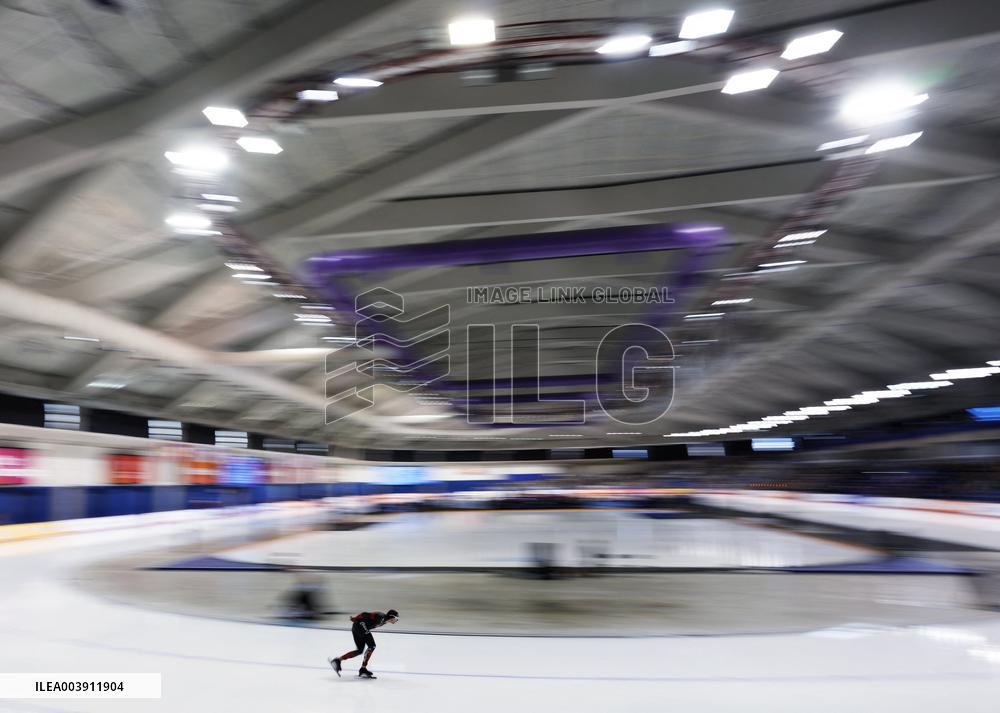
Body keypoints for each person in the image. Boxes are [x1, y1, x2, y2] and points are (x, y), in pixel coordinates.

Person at [328, 609, 399, 678]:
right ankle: (363, 669)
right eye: (396, 618)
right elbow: (364, 614)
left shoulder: (384, 621)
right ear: (392, 617)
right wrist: (355, 618)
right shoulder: (380, 616)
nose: (397, 620)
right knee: (372, 646)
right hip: (360, 626)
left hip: (357, 627)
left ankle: (337, 661)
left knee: (359, 650)